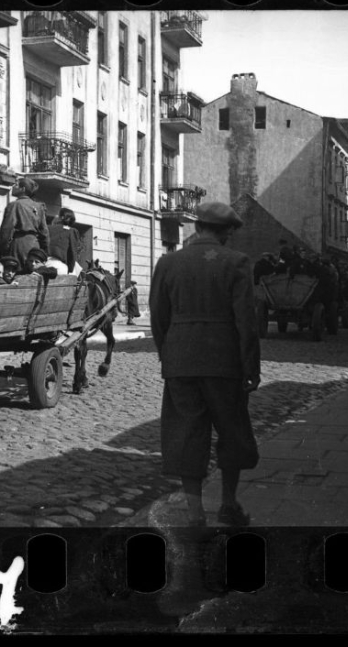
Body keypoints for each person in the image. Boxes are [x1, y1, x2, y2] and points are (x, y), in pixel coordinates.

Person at [149, 201, 261, 528]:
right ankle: (228, 504)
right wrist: (250, 368)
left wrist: (167, 354)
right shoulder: (236, 262)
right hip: (225, 362)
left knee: (185, 434)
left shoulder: (168, 261)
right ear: (226, 232)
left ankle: (195, 514)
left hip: (181, 360)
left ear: (197, 227)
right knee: (231, 430)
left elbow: (158, 317)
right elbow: (247, 322)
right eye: (229, 231)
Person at [0, 177, 50, 269]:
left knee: (18, 271)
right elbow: (44, 232)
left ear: (23, 189)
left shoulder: (15, 205)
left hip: (19, 245)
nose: (13, 186)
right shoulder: (39, 207)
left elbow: (7, 229)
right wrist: (44, 250)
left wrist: (3, 248)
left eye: (16, 184)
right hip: (35, 245)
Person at [47, 207, 83, 276]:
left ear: (61, 217)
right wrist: (70, 269)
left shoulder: (48, 228)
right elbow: (72, 253)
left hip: (45, 264)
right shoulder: (72, 231)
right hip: (59, 266)